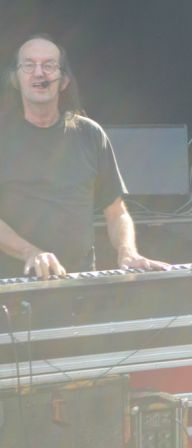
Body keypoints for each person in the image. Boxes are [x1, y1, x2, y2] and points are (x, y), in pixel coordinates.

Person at [0, 34, 167, 278]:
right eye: (28, 65)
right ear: (15, 79)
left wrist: (128, 251)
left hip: (78, 282)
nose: (39, 73)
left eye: (49, 65)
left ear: (64, 80)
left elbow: (116, 212)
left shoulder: (90, 134)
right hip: (12, 285)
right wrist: (31, 253)